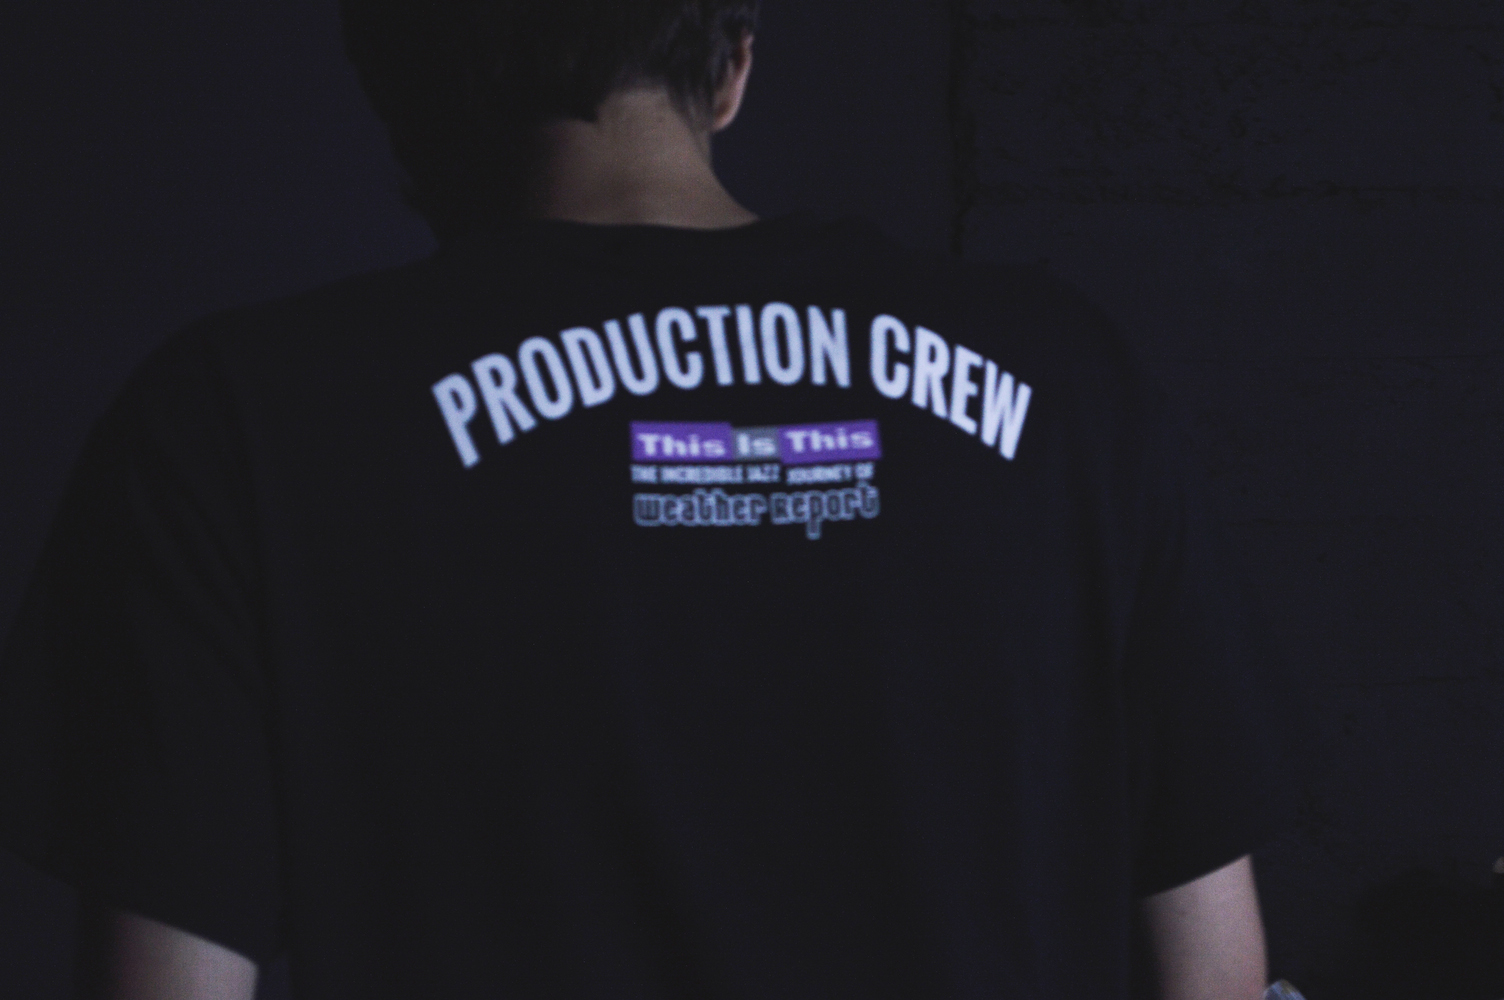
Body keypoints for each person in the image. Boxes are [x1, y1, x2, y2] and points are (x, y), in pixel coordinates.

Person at [0, 1, 1289, 997]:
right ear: (732, 71)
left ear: (391, 74)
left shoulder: (233, 424)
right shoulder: (1069, 383)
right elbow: (1214, 971)